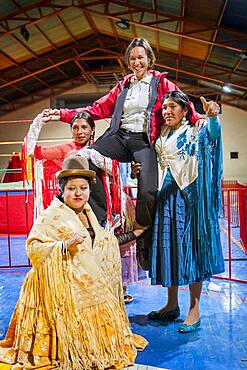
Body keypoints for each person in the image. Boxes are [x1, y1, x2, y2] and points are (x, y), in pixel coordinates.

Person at [41, 38, 203, 268]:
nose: (136, 62)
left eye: (141, 58)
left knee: (147, 193)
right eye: (132, 59)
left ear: (149, 59)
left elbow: (183, 101)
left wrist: (198, 119)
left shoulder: (161, 83)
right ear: (128, 62)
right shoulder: (123, 87)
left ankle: (144, 240)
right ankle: (102, 218)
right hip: (119, 136)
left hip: (143, 141)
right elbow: (95, 109)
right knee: (84, 156)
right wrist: (60, 114)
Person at [0, 156, 148, 369]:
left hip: (88, 286)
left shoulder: (89, 213)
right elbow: (33, 248)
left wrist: (134, 233)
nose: (78, 193)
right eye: (72, 188)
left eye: (83, 188)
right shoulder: (51, 216)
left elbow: (101, 243)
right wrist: (63, 245)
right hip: (57, 293)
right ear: (62, 190)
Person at [132, 92, 224, 333]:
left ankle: (194, 308)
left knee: (190, 250)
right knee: (169, 249)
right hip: (165, 198)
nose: (167, 111)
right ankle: (171, 304)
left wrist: (213, 117)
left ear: (185, 110)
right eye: (164, 108)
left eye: (172, 106)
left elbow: (213, 136)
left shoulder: (196, 128)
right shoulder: (162, 134)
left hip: (189, 199)